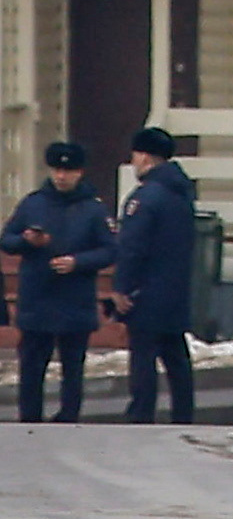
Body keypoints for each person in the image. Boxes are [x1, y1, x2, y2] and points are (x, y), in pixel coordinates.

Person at [102, 126, 199, 423]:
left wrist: (121, 288)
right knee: (175, 355)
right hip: (175, 288)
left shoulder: (145, 198)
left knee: (143, 355)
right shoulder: (181, 194)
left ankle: (141, 414)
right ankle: (183, 413)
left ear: (144, 156)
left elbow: (133, 247)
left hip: (145, 291)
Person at [9, 139, 104, 423]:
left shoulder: (93, 209)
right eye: (57, 171)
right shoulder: (33, 203)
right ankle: (29, 417)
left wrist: (78, 262)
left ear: (80, 172)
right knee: (32, 365)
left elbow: (110, 249)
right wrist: (27, 240)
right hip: (38, 299)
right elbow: (8, 239)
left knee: (73, 367)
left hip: (74, 300)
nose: (61, 177)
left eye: (69, 171)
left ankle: (69, 416)